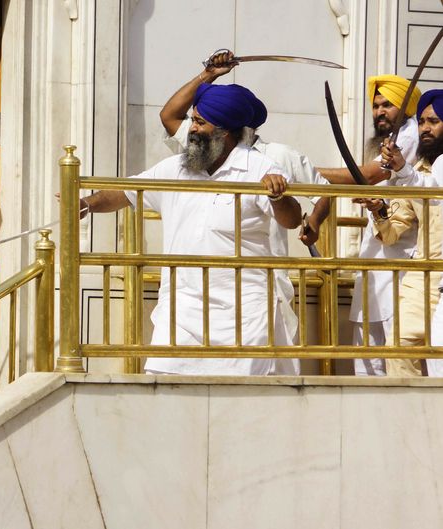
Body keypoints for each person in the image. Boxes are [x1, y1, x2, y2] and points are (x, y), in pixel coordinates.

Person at [81, 83, 302, 375]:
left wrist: (278, 196)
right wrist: (86, 204)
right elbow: (126, 192)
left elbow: (291, 220)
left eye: (199, 122)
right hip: (182, 309)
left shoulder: (261, 169)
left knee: (240, 397)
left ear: (224, 131)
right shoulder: (176, 168)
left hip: (244, 313)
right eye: (192, 120)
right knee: (165, 384)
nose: (192, 129)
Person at [159, 50, 330, 375]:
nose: (194, 127)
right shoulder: (203, 151)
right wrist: (208, 76)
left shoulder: (278, 156)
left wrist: (314, 222)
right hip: (199, 292)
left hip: (259, 287)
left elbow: (323, 192)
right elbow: (169, 116)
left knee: (264, 377)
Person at [324, 76, 422, 370]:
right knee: (367, 352)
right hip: (375, 256)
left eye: (387, 105)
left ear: (405, 107)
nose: (379, 111)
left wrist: (305, 170)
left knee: (394, 353)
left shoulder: (409, 136)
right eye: (376, 105)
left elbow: (368, 176)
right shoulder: (387, 140)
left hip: (400, 258)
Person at [379, 90, 443, 377]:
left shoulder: (421, 173)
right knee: (398, 347)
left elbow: (433, 190)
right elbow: (392, 231)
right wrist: (378, 211)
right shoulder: (419, 170)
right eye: (422, 122)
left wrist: (403, 169)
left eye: (434, 121)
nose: (425, 128)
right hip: (424, 274)